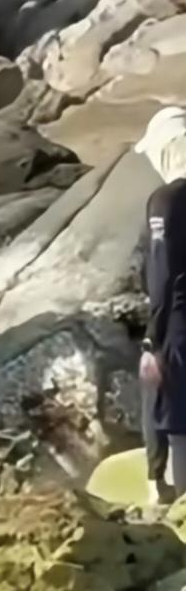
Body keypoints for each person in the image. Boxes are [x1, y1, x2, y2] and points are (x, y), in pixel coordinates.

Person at [135, 106, 186, 501]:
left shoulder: (167, 200)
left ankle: (166, 490)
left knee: (166, 406)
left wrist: (152, 339)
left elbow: (162, 273)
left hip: (177, 324)